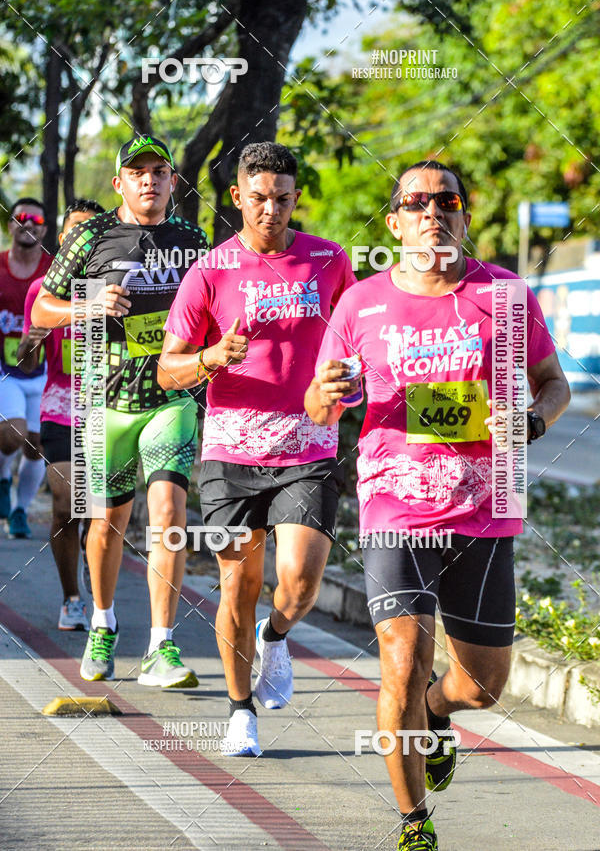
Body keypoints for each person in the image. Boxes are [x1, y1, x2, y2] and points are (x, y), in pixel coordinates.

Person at [305, 160, 570, 850]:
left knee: (483, 686)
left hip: (487, 507)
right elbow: (318, 403)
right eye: (416, 202)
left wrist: (533, 421)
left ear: (464, 217)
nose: (432, 212)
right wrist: (324, 394)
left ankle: (435, 711)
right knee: (402, 659)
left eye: (446, 201)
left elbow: (553, 382)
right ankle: (414, 821)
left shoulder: (504, 295)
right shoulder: (360, 303)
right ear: (395, 223)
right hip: (395, 507)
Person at [158, 141, 356, 756]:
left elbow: (356, 340)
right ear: (237, 197)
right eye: (259, 198)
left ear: (296, 198)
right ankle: (240, 711)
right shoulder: (211, 270)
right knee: (237, 586)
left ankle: (276, 635)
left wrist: (351, 378)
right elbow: (167, 369)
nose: (271, 210)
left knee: (298, 584)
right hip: (230, 450)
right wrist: (211, 357)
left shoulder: (329, 260)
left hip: (308, 444)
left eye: (283, 199)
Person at [32, 135, 210, 687]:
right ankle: (102, 623)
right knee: (107, 524)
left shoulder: (193, 240)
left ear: (173, 181)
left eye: (158, 171)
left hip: (171, 398)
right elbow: (41, 308)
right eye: (137, 173)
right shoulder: (89, 236)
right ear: (119, 183)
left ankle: (162, 644)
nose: (148, 180)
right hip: (104, 402)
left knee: (169, 515)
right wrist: (86, 302)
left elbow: (214, 307)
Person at [18, 199, 105, 630]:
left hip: (109, 408)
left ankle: (94, 562)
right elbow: (26, 362)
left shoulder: (117, 286)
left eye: (91, 231)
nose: (82, 239)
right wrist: (30, 343)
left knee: (97, 511)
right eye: (74, 231)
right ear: (62, 236)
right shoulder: (43, 289)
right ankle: (72, 597)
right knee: (67, 501)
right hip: (61, 407)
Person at [0, 198, 51, 538]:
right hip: (5, 372)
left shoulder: (53, 269)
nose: (28, 223)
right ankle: (3, 476)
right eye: (21, 217)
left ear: (44, 229)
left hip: (44, 370)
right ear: (10, 226)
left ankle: (20, 510)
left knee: (37, 444)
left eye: (36, 219)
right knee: (11, 435)